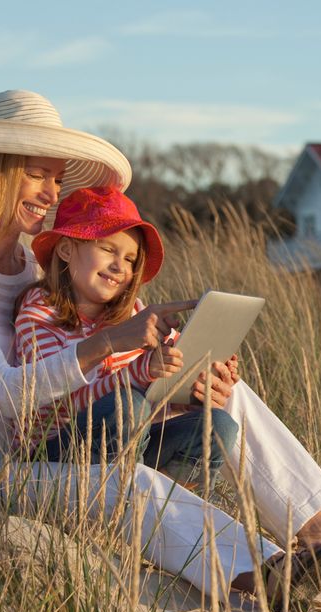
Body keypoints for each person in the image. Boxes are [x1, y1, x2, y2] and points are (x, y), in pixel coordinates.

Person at [0, 89, 321, 607]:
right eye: (36, 173)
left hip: (71, 438)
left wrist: (182, 377)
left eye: (56, 179)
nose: (50, 192)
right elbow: (0, 395)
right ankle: (264, 574)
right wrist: (112, 343)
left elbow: (81, 336)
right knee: (127, 485)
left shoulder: (32, 265)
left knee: (223, 390)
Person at [13, 185, 234, 490]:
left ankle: (159, 506)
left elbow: (148, 406)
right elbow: (61, 404)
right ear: (66, 250)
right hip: (53, 453)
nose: (120, 266)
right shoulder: (39, 315)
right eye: (107, 249)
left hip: (126, 447)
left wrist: (190, 389)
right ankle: (118, 498)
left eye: (131, 259)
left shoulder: (134, 316)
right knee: (128, 405)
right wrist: (141, 373)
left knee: (217, 426)